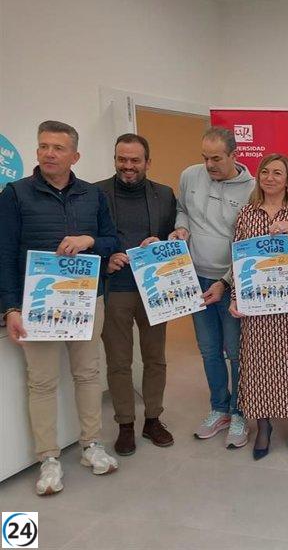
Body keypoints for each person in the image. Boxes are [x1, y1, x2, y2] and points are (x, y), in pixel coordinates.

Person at [0, 120, 120, 495]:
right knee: (42, 382)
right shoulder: (15, 194)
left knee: (87, 374)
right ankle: (48, 458)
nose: (48, 153)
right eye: (43, 146)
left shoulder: (92, 195)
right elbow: (3, 254)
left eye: (57, 147)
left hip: (86, 299)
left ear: (75, 155)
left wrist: (89, 240)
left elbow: (112, 239)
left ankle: (91, 445)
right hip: (36, 303)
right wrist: (9, 308)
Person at [228, 154, 288, 460]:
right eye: (265, 172)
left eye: (277, 173)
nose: (269, 177)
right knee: (258, 362)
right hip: (255, 298)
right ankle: (263, 424)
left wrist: (281, 234)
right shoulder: (246, 214)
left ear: (287, 179)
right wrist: (235, 298)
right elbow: (238, 258)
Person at [169, 126, 254, 449]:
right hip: (195, 278)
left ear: (234, 155)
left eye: (216, 158)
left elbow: (249, 245)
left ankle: (240, 412)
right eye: (205, 157)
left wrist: (225, 282)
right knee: (209, 350)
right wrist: (180, 229)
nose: (209, 165)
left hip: (231, 282)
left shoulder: (252, 188)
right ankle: (219, 407)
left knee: (235, 352)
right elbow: (182, 210)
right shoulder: (190, 175)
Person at [96, 133, 177, 456]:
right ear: (115, 159)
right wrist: (107, 257)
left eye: (135, 160)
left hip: (154, 289)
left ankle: (153, 419)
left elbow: (174, 237)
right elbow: (91, 238)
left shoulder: (165, 195)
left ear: (147, 162)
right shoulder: (95, 194)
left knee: (155, 358)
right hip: (115, 288)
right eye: (122, 159)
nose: (128, 166)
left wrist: (165, 241)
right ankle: (125, 424)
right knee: (118, 362)